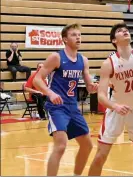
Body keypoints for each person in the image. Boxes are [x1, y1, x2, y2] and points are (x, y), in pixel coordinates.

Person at [33, 23, 99, 176]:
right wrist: (50, 93)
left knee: (87, 145)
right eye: (73, 35)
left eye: (79, 35)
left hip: (73, 107)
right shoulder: (56, 57)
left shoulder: (83, 60)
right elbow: (37, 79)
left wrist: (92, 87)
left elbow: (88, 86)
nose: (78, 37)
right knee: (61, 146)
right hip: (57, 107)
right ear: (64, 39)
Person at [88, 23, 133, 176]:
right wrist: (114, 106)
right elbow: (101, 96)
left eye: (126, 30)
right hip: (116, 112)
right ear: (114, 40)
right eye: (120, 31)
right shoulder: (108, 64)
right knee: (99, 157)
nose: (125, 32)